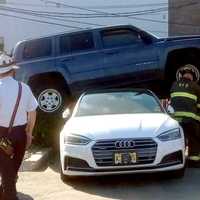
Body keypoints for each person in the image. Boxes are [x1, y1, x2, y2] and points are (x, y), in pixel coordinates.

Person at [0, 53, 38, 200]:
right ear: (13, 70)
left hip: (1, 136)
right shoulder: (24, 88)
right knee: (12, 172)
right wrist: (29, 133)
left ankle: (7, 194)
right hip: (20, 135)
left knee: (8, 174)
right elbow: (32, 112)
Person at [170, 65, 200, 164]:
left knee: (179, 140)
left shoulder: (174, 85)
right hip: (190, 120)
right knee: (194, 139)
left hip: (176, 121)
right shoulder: (195, 87)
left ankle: (178, 160)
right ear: (191, 76)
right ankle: (193, 161)